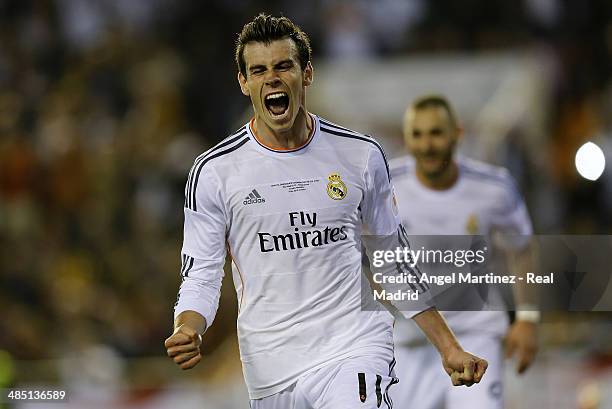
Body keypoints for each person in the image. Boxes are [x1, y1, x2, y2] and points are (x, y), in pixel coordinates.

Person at [164, 15, 487, 408]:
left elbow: (391, 264)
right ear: (244, 83)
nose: (273, 79)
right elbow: (201, 274)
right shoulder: (214, 173)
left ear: (307, 73)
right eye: (259, 70)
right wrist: (189, 327)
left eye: (284, 66)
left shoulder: (361, 157)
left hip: (353, 348)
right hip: (271, 369)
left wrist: (448, 348)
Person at [389, 94, 539, 409]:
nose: (427, 144)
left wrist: (527, 317)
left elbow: (522, 247)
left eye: (436, 133)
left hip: (475, 334)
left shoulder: (493, 186)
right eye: (417, 134)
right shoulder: (385, 184)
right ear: (406, 138)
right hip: (409, 340)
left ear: (457, 133)